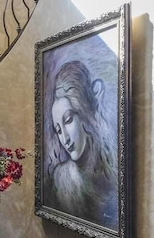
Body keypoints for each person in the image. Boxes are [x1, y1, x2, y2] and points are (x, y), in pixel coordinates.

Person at [45, 59, 118, 228]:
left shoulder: (113, 177)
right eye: (58, 130)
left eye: (68, 120)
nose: (65, 139)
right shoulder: (59, 179)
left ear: (84, 113)